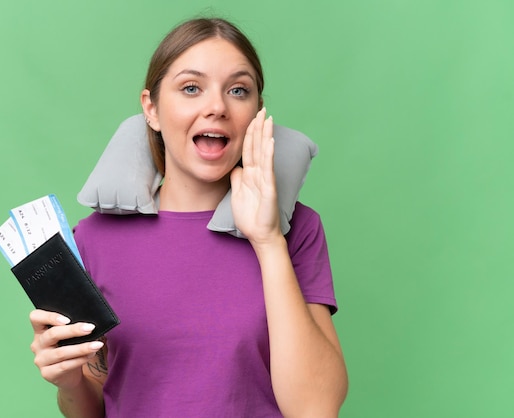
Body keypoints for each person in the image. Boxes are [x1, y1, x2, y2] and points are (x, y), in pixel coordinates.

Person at [29, 17, 348, 418]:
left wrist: (268, 242)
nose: (216, 107)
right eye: (191, 88)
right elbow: (96, 403)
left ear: (257, 114)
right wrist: (69, 382)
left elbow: (315, 408)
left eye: (238, 90)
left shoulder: (296, 230)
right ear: (152, 109)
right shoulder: (93, 240)